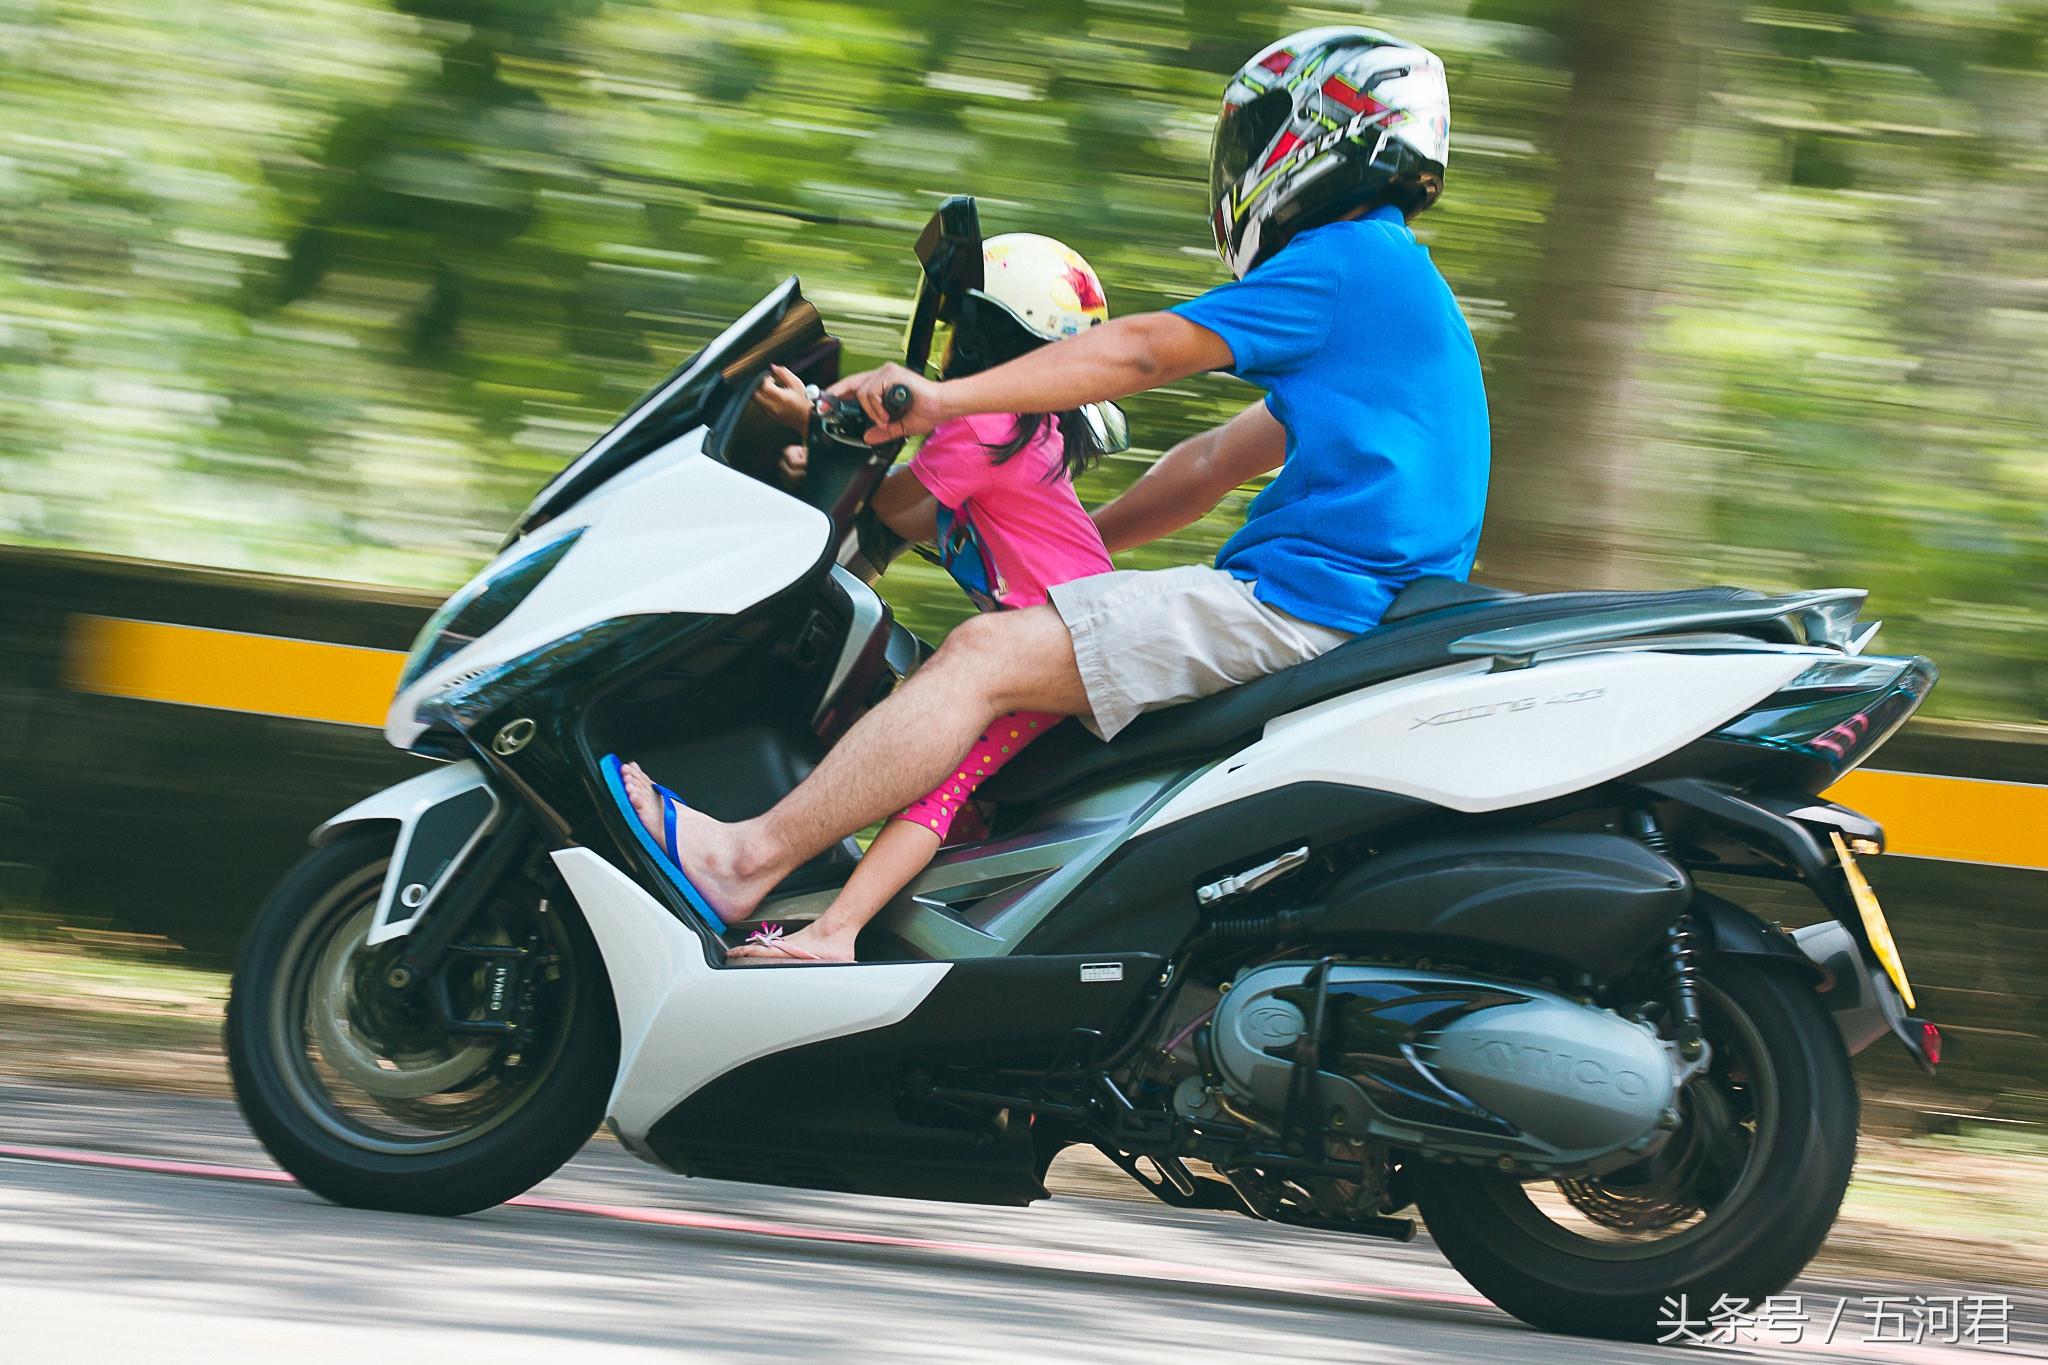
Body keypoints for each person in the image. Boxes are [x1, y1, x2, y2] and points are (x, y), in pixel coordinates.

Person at [621, 25, 1490, 933]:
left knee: (980, 658)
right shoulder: (1392, 297)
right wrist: (1086, 557)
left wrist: (936, 400)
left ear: (1319, 131)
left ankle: (741, 859)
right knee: (1000, 661)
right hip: (1337, 601)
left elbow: (1145, 350)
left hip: (1305, 602)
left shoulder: (1350, 261)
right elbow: (1207, 463)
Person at [628, 233, 1118, 962]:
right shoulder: (1023, 427)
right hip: (1059, 635)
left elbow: (892, 505)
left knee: (938, 780)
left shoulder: (987, 425)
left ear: (986, 336)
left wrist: (813, 420)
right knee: (944, 765)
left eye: (957, 330)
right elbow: (915, 510)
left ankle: (834, 931)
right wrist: (818, 446)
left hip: (1055, 647)